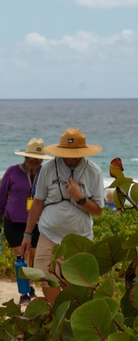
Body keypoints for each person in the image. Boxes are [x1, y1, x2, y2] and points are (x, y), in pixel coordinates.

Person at [21, 128, 103, 302]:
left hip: (80, 239)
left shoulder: (94, 172)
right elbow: (38, 202)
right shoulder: (49, 168)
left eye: (75, 154)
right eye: (67, 153)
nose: (71, 158)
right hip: (48, 236)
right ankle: (55, 311)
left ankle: (69, 319)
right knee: (45, 278)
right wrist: (28, 234)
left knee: (78, 287)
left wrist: (80, 198)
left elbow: (98, 211)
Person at [0, 139, 51, 304]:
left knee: (33, 257)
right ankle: (24, 292)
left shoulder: (45, 173)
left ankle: (31, 287)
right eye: (31, 157)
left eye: (38, 158)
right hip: (14, 222)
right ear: (25, 157)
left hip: (38, 223)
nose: (34, 161)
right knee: (22, 257)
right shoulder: (12, 172)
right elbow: (0, 198)